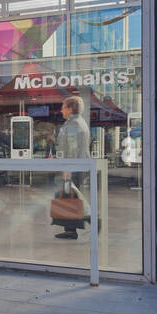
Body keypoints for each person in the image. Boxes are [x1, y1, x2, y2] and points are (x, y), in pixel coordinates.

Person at [54, 94, 91, 239]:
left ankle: (76, 226)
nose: (61, 111)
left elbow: (73, 148)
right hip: (77, 166)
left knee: (69, 197)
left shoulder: (73, 124)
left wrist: (67, 168)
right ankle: (71, 229)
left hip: (73, 167)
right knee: (70, 198)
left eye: (63, 107)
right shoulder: (78, 122)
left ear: (70, 109)